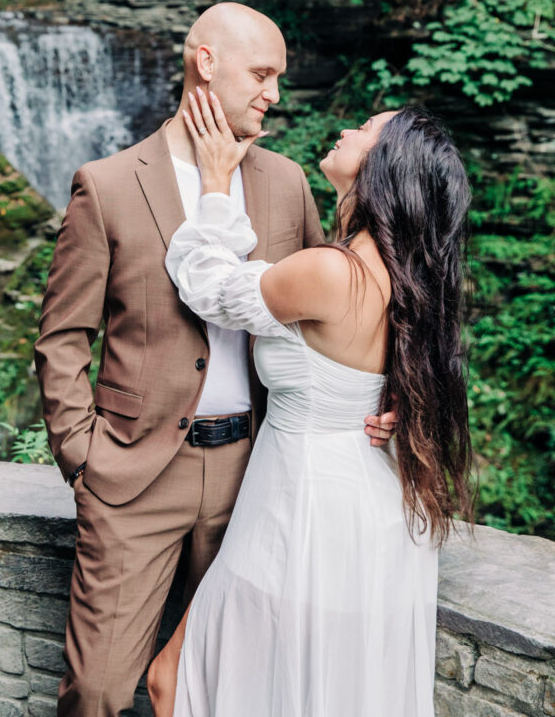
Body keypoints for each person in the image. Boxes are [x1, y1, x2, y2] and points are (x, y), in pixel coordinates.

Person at [34, 2, 397, 717]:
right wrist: (84, 458)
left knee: (239, 687)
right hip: (133, 476)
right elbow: (61, 340)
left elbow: (346, 308)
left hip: (257, 476)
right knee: (100, 689)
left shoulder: (287, 183)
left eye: (279, 78)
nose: (275, 93)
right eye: (262, 73)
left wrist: (392, 398)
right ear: (207, 62)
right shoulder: (107, 184)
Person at [147, 89, 474, 717]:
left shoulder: (333, 271)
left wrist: (216, 184)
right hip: (370, 511)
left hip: (302, 510)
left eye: (368, 128)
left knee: (178, 679)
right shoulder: (406, 277)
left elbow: (209, 285)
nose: (348, 127)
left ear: (386, 167)